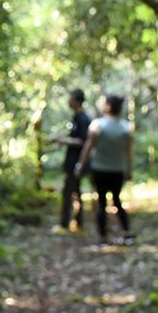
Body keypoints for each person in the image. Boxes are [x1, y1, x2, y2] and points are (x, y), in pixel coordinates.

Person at [75, 94, 134, 245]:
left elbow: (88, 148)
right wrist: (129, 170)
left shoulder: (97, 125)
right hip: (117, 169)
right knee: (117, 201)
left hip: (100, 169)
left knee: (102, 203)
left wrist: (80, 165)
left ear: (108, 106)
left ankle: (103, 238)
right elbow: (128, 152)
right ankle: (126, 234)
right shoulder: (126, 127)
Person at [51, 89, 91, 233]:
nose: (68, 101)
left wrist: (65, 140)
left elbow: (84, 141)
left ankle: (64, 225)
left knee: (68, 192)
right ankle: (77, 223)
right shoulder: (77, 117)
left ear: (77, 100)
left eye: (71, 98)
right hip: (73, 161)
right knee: (75, 192)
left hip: (76, 162)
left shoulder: (82, 118)